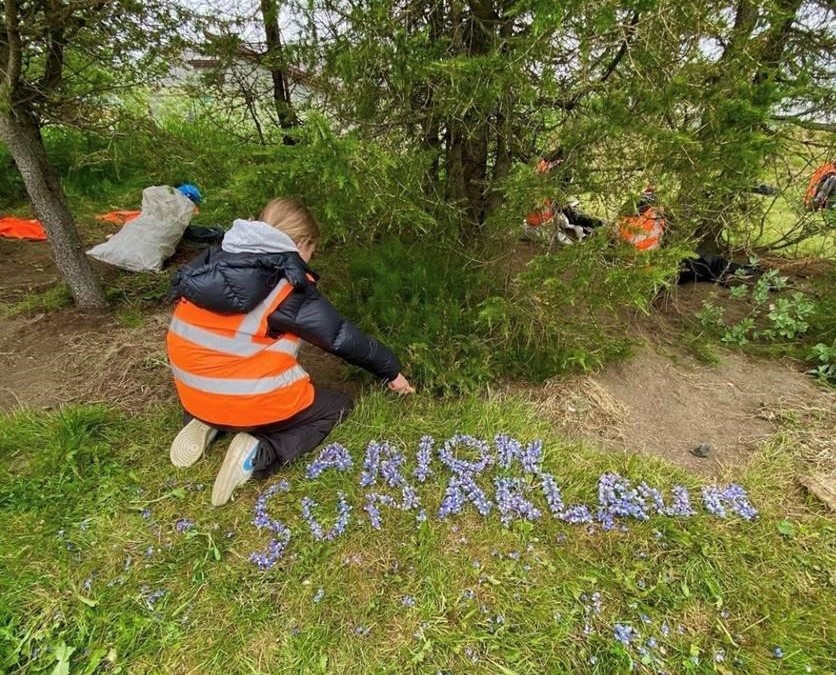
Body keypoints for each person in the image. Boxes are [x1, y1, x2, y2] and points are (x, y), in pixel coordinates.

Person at [166, 197, 415, 506]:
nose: (311, 258)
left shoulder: (211, 263)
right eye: (312, 250)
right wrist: (391, 370)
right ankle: (260, 452)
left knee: (229, 376)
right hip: (239, 397)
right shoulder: (284, 284)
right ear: (300, 244)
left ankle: (209, 420)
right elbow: (341, 337)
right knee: (336, 406)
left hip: (192, 389)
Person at [617, 186, 759, 284]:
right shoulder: (653, 218)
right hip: (661, 269)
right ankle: (745, 275)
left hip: (638, 270)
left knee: (701, 262)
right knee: (711, 262)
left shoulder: (621, 222)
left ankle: (736, 274)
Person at [522, 148, 604, 245]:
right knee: (571, 220)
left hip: (539, 216)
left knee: (570, 217)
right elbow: (560, 204)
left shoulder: (543, 165)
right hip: (542, 220)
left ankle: (592, 225)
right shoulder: (558, 169)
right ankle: (594, 226)